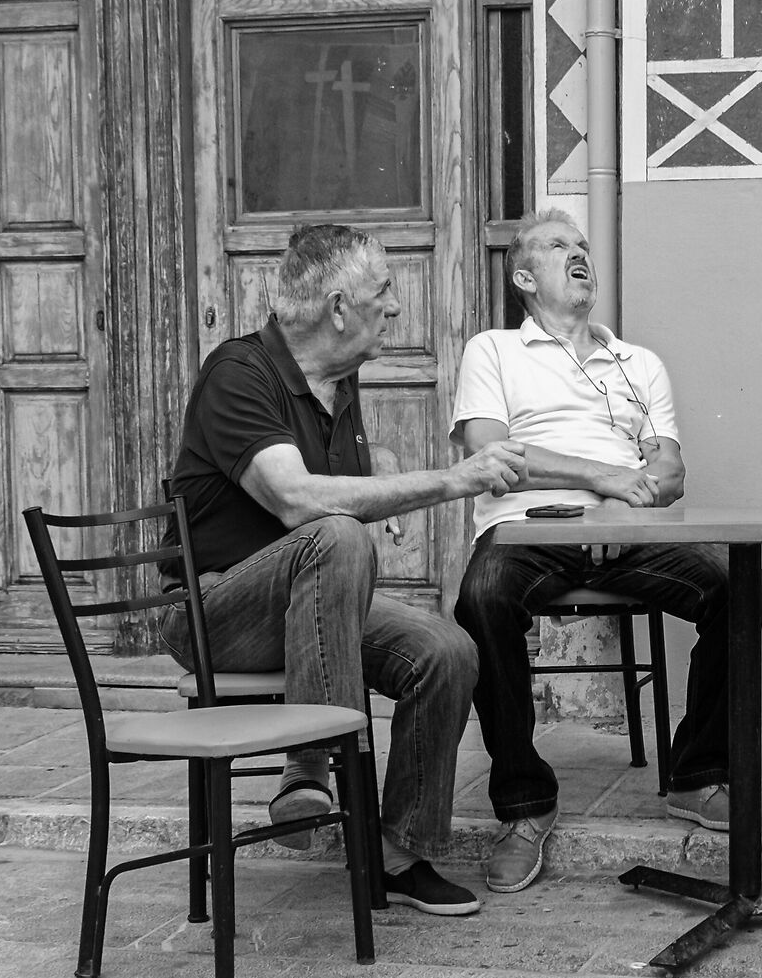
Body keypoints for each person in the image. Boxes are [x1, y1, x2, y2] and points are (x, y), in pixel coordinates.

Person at [166, 223, 526, 919]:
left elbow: (339, 471)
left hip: (313, 608)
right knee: (334, 534)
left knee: (447, 652)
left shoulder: (337, 382)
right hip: (216, 614)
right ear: (338, 308)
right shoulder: (238, 374)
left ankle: (397, 854)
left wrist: (380, 465)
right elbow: (297, 498)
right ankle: (308, 767)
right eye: (383, 291)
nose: (395, 306)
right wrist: (452, 480)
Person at [452, 210, 758, 894]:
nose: (579, 253)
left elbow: (671, 472)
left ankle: (698, 773)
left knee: (739, 583)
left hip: (627, 527)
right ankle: (524, 805)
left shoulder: (636, 363)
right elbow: (489, 452)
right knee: (482, 597)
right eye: (558, 245)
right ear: (524, 277)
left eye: (583, 245)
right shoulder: (493, 350)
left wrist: (621, 506)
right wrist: (605, 479)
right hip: (527, 525)